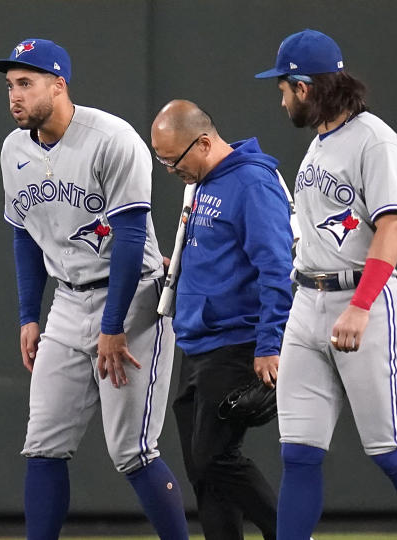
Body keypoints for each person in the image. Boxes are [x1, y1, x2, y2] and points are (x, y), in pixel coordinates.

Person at [255, 29, 397, 540]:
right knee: (298, 452)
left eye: (282, 88)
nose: (280, 99)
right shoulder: (322, 143)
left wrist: (362, 307)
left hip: (364, 302)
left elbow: (393, 226)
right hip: (309, 302)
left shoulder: (375, 140)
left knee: (391, 450)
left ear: (303, 86)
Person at [0, 38, 189, 540]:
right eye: (10, 84)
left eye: (25, 83)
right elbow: (24, 235)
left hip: (133, 299)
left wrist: (113, 326)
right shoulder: (14, 149)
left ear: (59, 85)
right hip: (66, 300)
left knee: (132, 451)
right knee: (43, 444)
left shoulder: (111, 139)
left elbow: (129, 238)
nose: (14, 95)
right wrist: (27, 315)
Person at [150, 100, 294, 540]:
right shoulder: (204, 183)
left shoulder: (251, 182)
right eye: (162, 162)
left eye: (174, 161)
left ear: (205, 141)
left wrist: (269, 344)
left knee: (215, 458)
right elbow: (219, 256)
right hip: (196, 342)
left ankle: (291, 533)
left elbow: (276, 267)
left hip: (235, 341)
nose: (172, 171)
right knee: (204, 474)